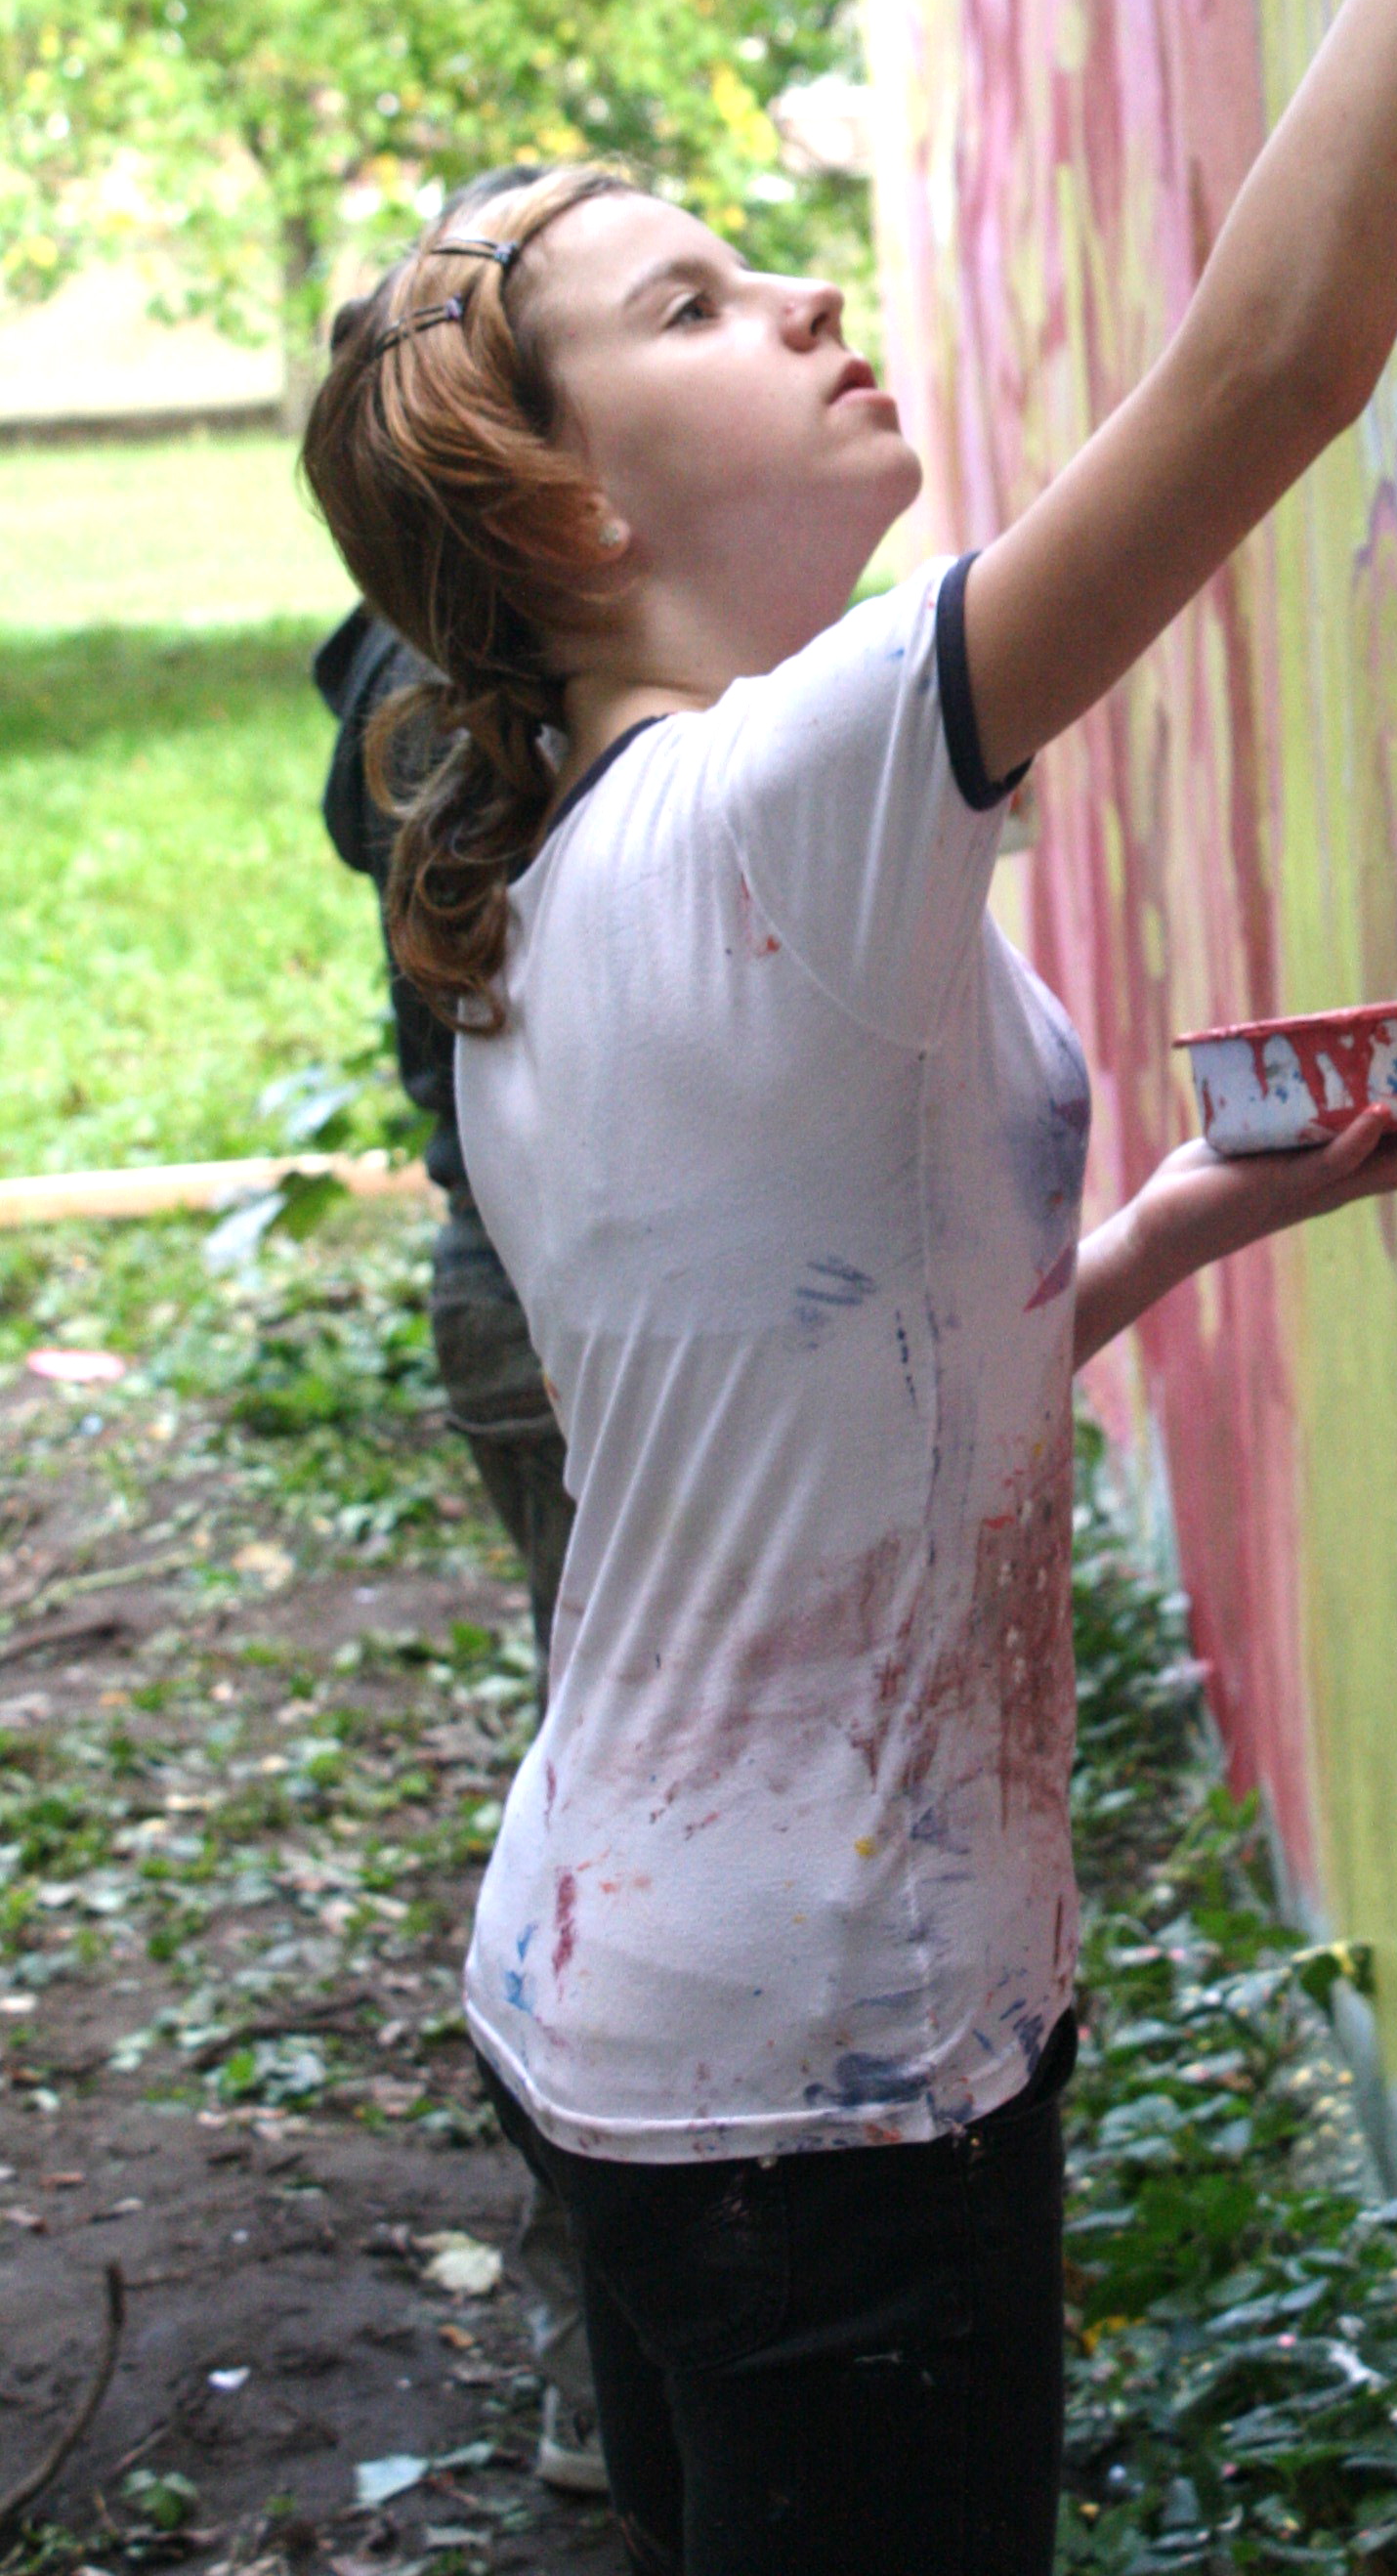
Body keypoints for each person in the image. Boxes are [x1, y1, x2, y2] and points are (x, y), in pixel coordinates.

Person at [297, 0, 1397, 2576]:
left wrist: (1162, 1224)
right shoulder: (770, 809)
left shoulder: (576, 870)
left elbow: (793, 1392)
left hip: (673, 2015)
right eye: (686, 307)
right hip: (815, 2085)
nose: (794, 298)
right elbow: (1274, 369)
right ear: (562, 508)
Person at [314, 497, 607, 2499]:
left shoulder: (423, 647)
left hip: (544, 1290)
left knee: (631, 1777)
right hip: (550, 1296)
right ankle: (609, 2341)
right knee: (629, 1803)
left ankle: (631, 2340)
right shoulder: (452, 677)